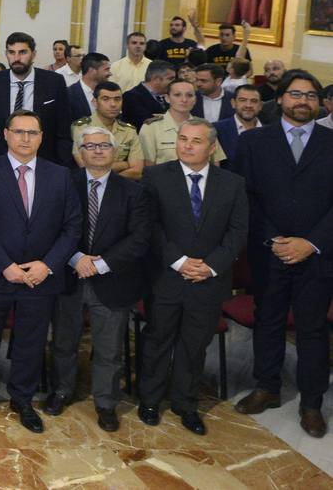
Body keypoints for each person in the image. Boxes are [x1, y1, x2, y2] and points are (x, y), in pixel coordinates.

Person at [0, 110, 81, 434]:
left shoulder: (60, 175)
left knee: (31, 340)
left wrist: (48, 265)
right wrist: (5, 266)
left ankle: (23, 398)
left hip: (40, 277)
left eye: (32, 132)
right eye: (19, 132)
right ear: (6, 134)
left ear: (42, 137)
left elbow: (72, 227)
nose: (25, 138)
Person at [232, 71, 333, 439]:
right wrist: (274, 238)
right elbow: (245, 196)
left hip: (319, 255)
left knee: (312, 328)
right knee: (269, 321)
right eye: (295, 94)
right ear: (281, 100)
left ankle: (311, 403)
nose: (302, 101)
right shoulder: (254, 142)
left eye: (310, 95)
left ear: (320, 102)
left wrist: (311, 242)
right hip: (268, 251)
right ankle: (267, 388)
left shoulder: (331, 141)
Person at [137, 119, 247, 435]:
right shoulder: (156, 176)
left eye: (195, 141)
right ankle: (150, 400)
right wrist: (179, 261)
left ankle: (186, 405)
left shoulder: (233, 183)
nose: (186, 145)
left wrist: (210, 266)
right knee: (158, 340)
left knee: (195, 344)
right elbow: (150, 226)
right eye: (183, 139)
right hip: (166, 277)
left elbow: (238, 232)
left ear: (212, 147)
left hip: (209, 280)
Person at [46, 127, 151, 432]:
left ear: (115, 152)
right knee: (64, 342)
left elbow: (139, 238)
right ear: (80, 152)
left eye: (104, 145)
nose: (97, 150)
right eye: (90, 146)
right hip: (69, 275)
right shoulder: (64, 183)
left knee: (109, 349)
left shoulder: (134, 191)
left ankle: (105, 402)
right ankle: (63, 390)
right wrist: (77, 258)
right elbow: (51, 226)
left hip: (113, 278)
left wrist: (101, 264)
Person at [0, 33, 72, 164]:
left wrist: (62, 165)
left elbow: (63, 128)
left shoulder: (54, 82)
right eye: (11, 52)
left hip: (43, 159)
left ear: (33, 54)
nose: (16, 58)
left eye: (23, 52)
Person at [140, 79, 225, 166]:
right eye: (177, 95)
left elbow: (215, 163)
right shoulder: (151, 128)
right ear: (167, 98)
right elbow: (148, 167)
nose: (184, 100)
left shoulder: (205, 126)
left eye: (189, 95)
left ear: (195, 99)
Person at [71, 82, 144, 181]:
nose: (113, 104)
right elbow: (86, 168)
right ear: (95, 102)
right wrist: (124, 164)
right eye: (106, 99)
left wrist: (109, 181)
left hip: (122, 188)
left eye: (117, 99)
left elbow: (137, 171)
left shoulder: (129, 130)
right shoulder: (81, 128)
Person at [213, 84, 263, 160]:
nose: (248, 105)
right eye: (242, 100)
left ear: (260, 106)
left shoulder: (272, 132)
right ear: (233, 103)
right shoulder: (216, 130)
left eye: (254, 101)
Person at [122, 59, 174, 130]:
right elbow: (147, 124)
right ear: (156, 79)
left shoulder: (168, 96)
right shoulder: (131, 97)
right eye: (170, 79)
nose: (174, 83)